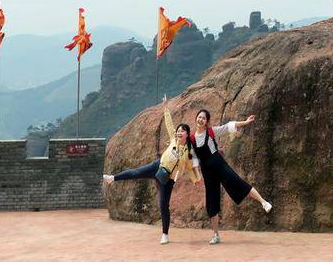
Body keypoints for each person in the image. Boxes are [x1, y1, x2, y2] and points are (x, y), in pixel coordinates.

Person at [103, 97, 201, 245]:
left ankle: (165, 234)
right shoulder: (174, 139)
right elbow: (169, 123)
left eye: (182, 131)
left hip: (167, 179)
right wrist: (166, 106)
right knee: (136, 172)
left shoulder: (188, 153)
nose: (179, 132)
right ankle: (112, 178)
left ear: (187, 134)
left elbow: (190, 168)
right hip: (157, 166)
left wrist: (196, 180)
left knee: (163, 205)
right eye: (179, 130)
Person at [191, 109, 272, 245]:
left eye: (203, 118)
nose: (200, 120)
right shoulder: (192, 138)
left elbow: (229, 126)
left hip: (219, 165)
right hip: (207, 172)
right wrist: (197, 176)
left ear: (206, 122)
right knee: (211, 204)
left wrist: (245, 122)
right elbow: (193, 158)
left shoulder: (211, 131)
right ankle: (216, 235)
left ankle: (264, 202)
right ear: (196, 119)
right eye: (199, 117)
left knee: (238, 183)